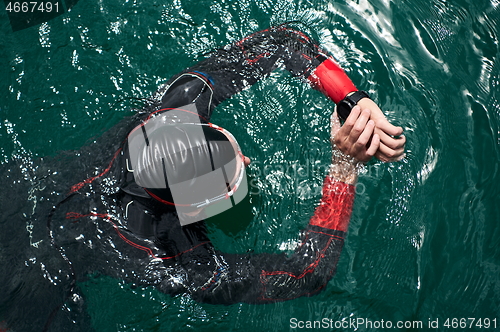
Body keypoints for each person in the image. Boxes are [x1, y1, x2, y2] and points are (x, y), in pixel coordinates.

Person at [0, 25, 405, 331]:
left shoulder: (171, 110)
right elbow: (306, 274)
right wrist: (344, 168)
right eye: (237, 172)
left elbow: (282, 42)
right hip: (35, 288)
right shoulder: (172, 257)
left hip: (15, 186)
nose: (245, 157)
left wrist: (353, 100)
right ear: (193, 211)